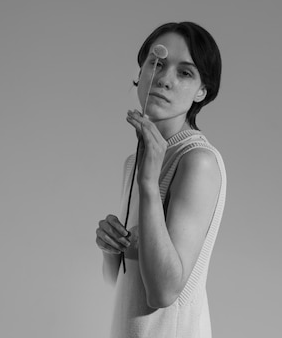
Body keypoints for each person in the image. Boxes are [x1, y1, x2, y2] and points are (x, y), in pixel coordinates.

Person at [95, 22, 226, 338]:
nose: (165, 79)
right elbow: (121, 284)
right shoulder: (135, 162)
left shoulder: (198, 161)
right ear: (142, 72)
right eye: (156, 63)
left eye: (185, 73)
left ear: (202, 91)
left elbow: (163, 293)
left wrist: (150, 184)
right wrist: (110, 249)